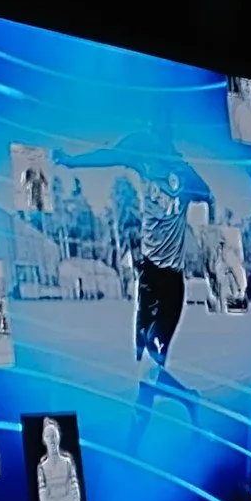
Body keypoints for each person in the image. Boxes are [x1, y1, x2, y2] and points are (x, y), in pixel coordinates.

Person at [55, 117, 214, 413]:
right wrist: (71, 162)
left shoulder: (184, 172)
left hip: (172, 283)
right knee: (146, 366)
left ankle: (148, 430)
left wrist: (215, 247)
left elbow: (208, 196)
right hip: (148, 278)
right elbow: (108, 156)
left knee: (151, 367)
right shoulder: (142, 155)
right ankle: (184, 402)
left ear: (168, 139)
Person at [34, 417, 82, 501]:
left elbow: (76, 499)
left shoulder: (68, 463)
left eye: (54, 436)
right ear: (44, 440)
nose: (52, 441)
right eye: (48, 436)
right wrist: (66, 500)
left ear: (59, 437)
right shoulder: (41, 468)